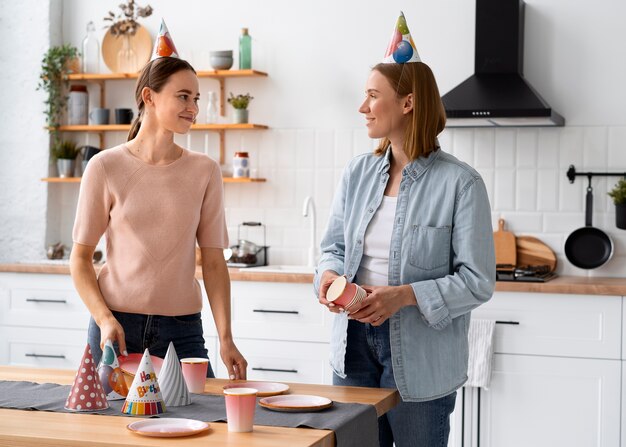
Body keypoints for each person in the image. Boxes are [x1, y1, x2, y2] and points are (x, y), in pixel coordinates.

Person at [314, 13, 495, 447]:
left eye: (373, 96)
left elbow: (477, 281)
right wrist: (326, 275)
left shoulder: (461, 183)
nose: (363, 107)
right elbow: (333, 247)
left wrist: (405, 296)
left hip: (420, 352)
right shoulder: (358, 172)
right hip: (353, 342)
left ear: (408, 103)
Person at [70, 21, 247, 380]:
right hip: (115, 328)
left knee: (206, 428)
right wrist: (104, 319)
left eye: (196, 98)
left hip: (182, 332)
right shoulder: (104, 167)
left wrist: (226, 338)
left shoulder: (205, 171)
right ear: (149, 97)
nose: (193, 108)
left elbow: (213, 262)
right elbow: (80, 259)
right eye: (183, 96)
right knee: (106, 431)